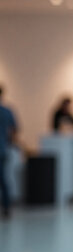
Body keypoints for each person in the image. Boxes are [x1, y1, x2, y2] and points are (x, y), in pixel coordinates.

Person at [0, 85, 18, 220]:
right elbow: (14, 130)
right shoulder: (7, 111)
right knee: (4, 179)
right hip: (3, 148)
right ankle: (6, 207)